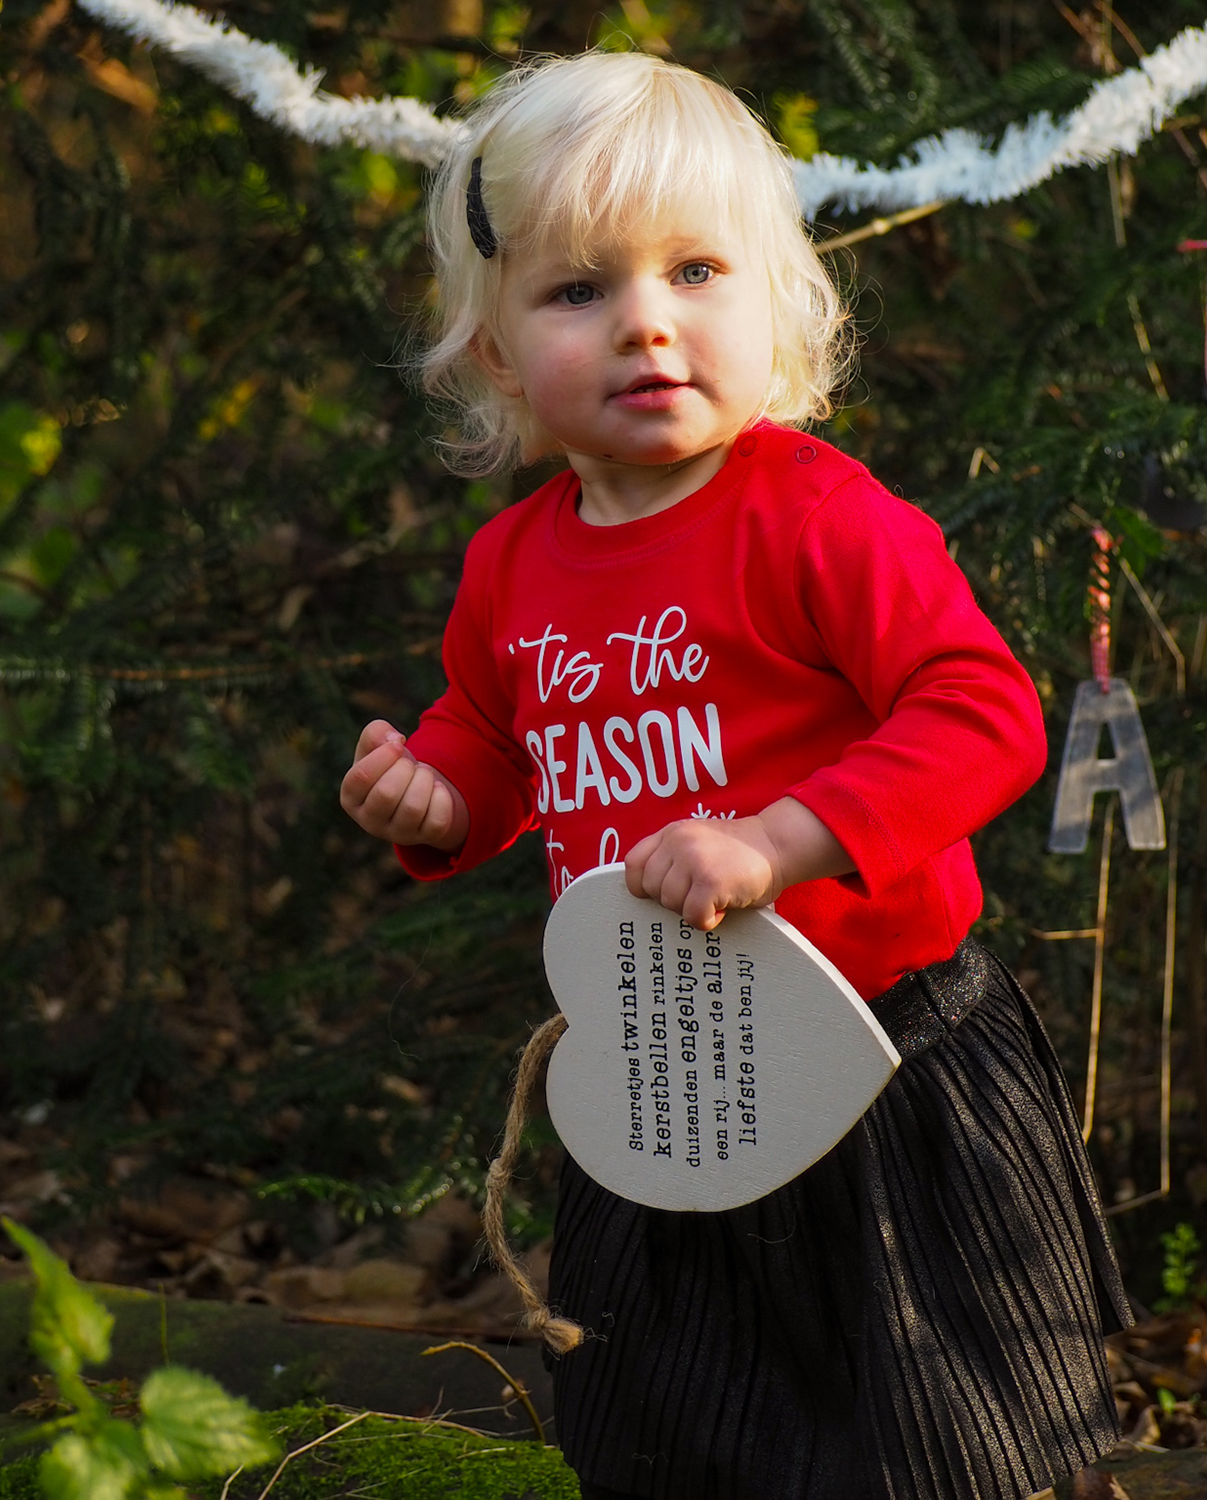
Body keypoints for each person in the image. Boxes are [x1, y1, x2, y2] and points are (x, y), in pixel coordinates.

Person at [339, 48, 1131, 1500]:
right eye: (579, 291)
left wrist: (782, 838)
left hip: (879, 1059)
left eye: (695, 271)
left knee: (927, 1434)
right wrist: (437, 793)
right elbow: (496, 736)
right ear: (499, 353)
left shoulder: (820, 519)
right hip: (661, 1065)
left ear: (781, 302)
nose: (646, 325)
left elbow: (985, 713)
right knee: (670, 1424)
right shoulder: (512, 563)